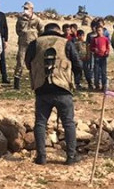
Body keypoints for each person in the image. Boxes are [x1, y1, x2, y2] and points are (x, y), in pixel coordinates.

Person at [25, 22, 78, 164]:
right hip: (62, 88)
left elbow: (27, 62)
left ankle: (41, 157)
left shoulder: (35, 43)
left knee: (40, 123)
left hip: (42, 88)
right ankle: (71, 157)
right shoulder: (66, 43)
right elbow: (78, 64)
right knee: (68, 123)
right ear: (58, 31)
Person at [13, 1, 40, 90]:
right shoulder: (20, 19)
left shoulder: (36, 19)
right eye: (24, 8)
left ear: (32, 9)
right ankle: (16, 82)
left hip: (33, 43)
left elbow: (41, 30)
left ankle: (35, 83)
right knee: (20, 62)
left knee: (33, 63)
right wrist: (22, 34)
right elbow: (17, 30)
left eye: (27, 8)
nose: (25, 10)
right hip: (22, 43)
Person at [88, 20, 111, 91]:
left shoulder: (106, 39)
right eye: (98, 30)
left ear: (103, 31)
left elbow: (108, 47)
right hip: (97, 56)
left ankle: (104, 85)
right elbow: (91, 47)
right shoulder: (94, 39)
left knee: (104, 71)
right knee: (96, 71)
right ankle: (97, 85)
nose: (99, 32)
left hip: (103, 56)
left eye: (100, 30)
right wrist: (94, 49)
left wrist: (107, 52)